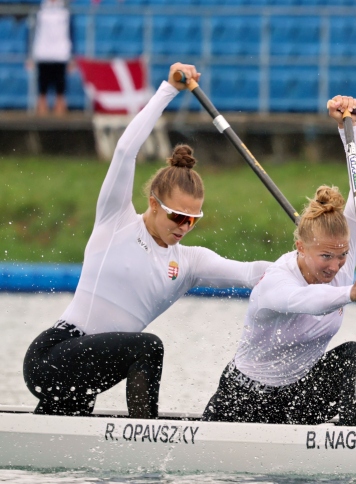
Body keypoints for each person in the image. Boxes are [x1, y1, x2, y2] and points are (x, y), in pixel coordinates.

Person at [22, 63, 271, 419]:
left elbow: (252, 272)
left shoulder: (190, 262)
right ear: (154, 203)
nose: (184, 227)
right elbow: (125, 151)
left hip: (88, 371)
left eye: (192, 220)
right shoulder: (116, 220)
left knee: (60, 435)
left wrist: (317, 271)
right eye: (177, 216)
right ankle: (146, 438)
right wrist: (167, 90)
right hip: (52, 356)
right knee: (148, 348)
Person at [203, 96, 356, 426]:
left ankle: (352, 437)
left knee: (355, 356)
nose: (336, 266)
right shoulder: (277, 280)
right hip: (245, 398)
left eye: (343, 255)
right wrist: (350, 293)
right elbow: (306, 301)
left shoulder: (342, 261)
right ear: (301, 247)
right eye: (325, 257)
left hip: (298, 395)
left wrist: (349, 128)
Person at [29, 0, 72, 116]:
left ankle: (61, 120)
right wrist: (30, 55)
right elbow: (31, 32)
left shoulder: (66, 9)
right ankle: (40, 119)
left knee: (60, 88)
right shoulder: (39, 8)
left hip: (61, 53)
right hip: (42, 52)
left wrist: (72, 57)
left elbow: (71, 33)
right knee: (42, 87)